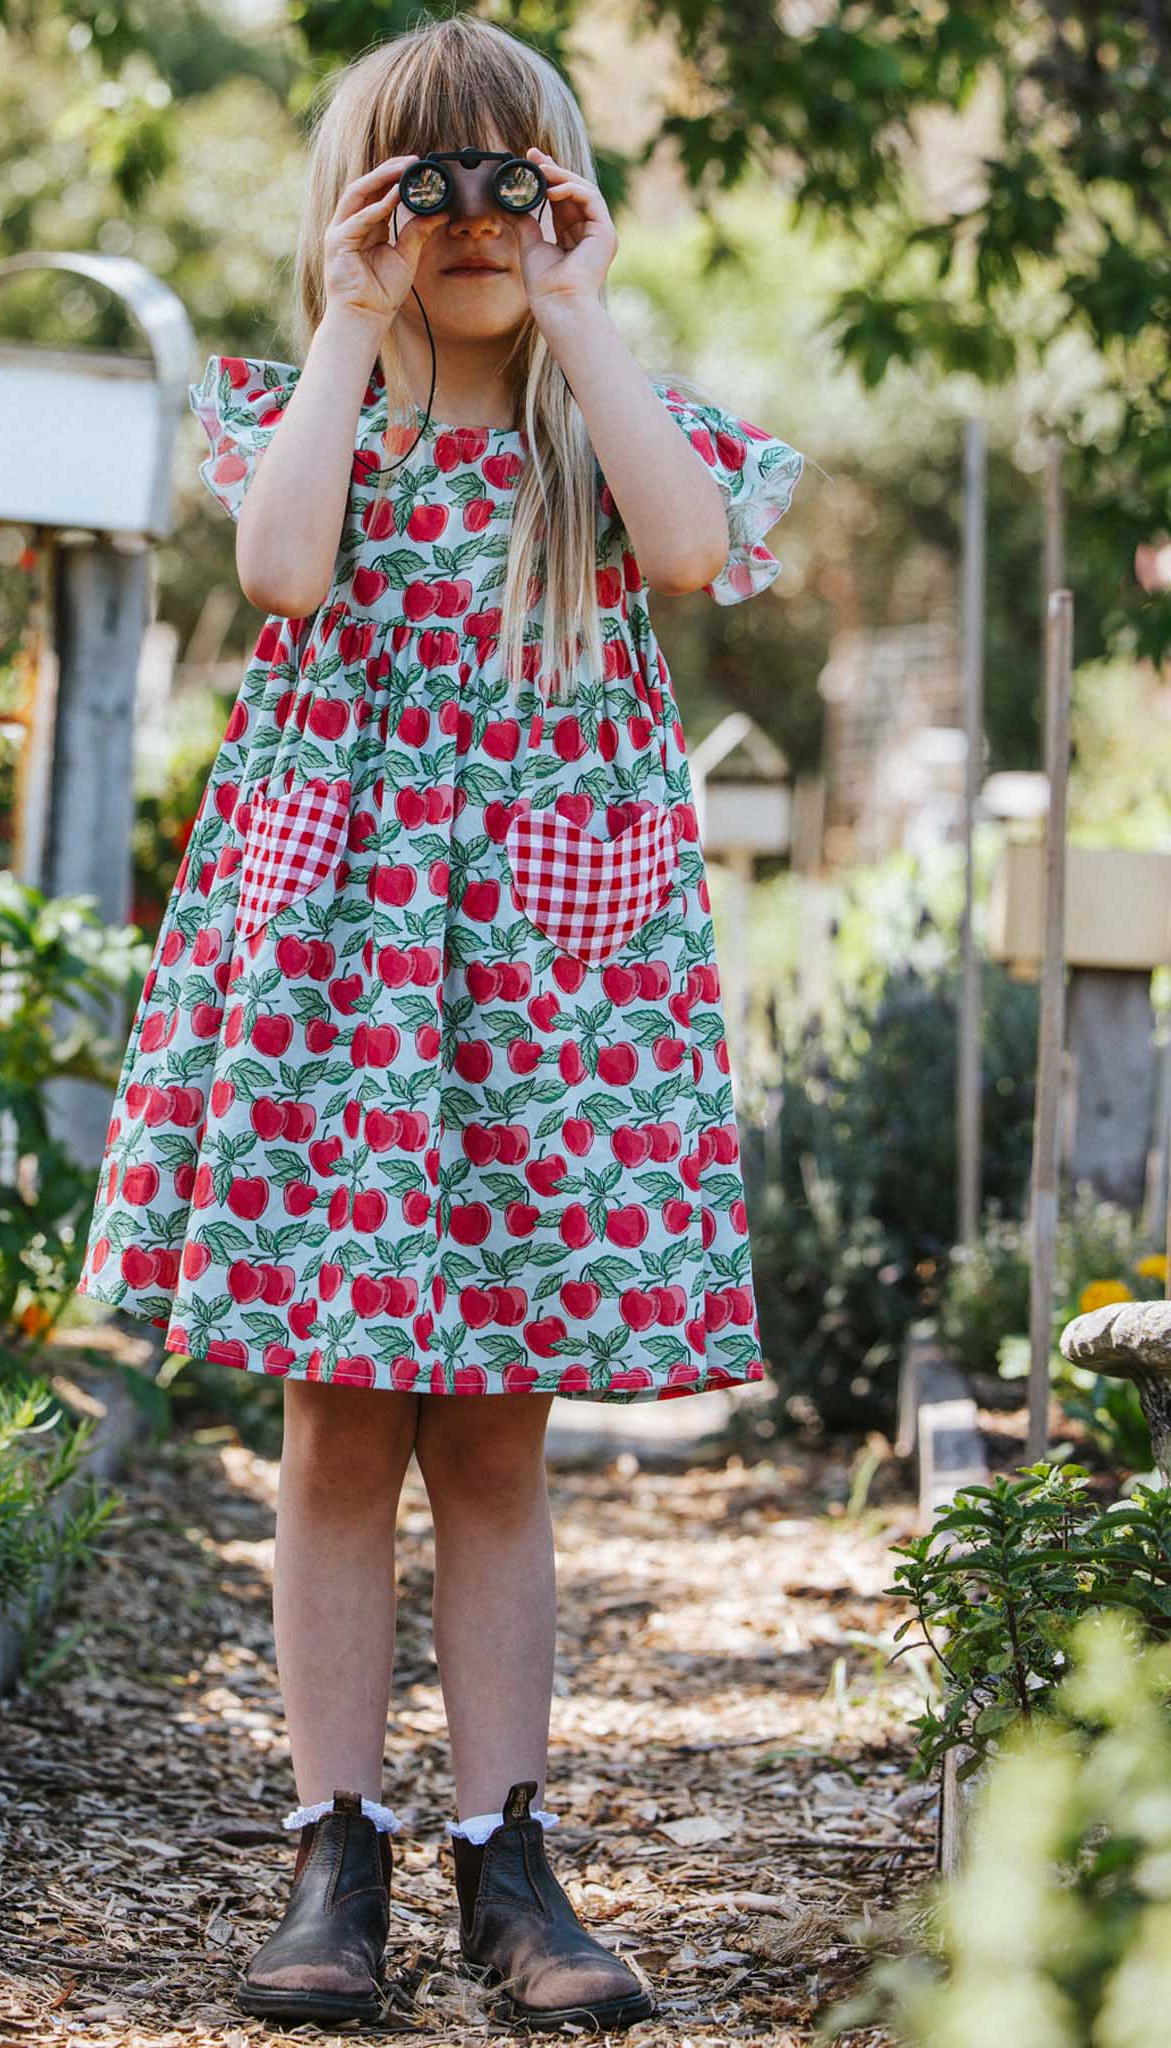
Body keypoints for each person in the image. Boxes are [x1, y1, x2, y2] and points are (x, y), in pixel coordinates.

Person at [76, 14, 806, 2033]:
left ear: (564, 200)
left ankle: (510, 1851)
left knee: (494, 1437)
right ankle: (337, 1842)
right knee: (333, 1421)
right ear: (357, 210)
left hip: (541, 1008)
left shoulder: (606, 424)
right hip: (339, 994)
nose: (470, 216)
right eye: (426, 180)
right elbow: (283, 562)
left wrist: (579, 317)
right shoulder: (305, 410)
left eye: (511, 178)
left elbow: (684, 547)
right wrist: (343, 320)